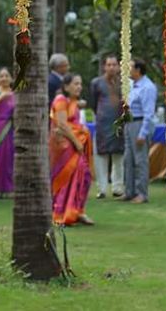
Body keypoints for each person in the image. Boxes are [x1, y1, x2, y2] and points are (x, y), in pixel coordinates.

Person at [50, 74, 94, 225]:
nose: (79, 87)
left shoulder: (73, 102)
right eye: (76, 84)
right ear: (66, 86)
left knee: (84, 176)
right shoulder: (60, 100)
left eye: (80, 84)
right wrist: (77, 141)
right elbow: (62, 125)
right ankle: (61, 212)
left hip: (74, 146)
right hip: (65, 146)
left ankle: (77, 211)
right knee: (66, 178)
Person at [88, 54, 125, 199]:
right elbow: (93, 103)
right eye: (108, 65)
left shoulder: (124, 83)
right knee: (100, 156)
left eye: (114, 64)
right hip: (102, 124)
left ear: (118, 66)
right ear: (104, 66)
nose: (111, 67)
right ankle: (102, 188)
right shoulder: (96, 83)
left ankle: (117, 187)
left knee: (118, 156)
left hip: (119, 124)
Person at [123, 59, 156, 204]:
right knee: (128, 159)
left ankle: (142, 193)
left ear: (138, 70)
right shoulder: (132, 85)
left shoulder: (147, 87)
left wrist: (143, 133)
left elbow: (149, 113)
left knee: (140, 160)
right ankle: (129, 191)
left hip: (140, 123)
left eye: (130, 67)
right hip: (129, 123)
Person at [0, 68, 16, 198]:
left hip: (10, 128)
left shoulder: (14, 93)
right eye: (1, 76)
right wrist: (0, 97)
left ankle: (7, 188)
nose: (4, 78)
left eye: (7, 76)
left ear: (11, 79)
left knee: (8, 158)